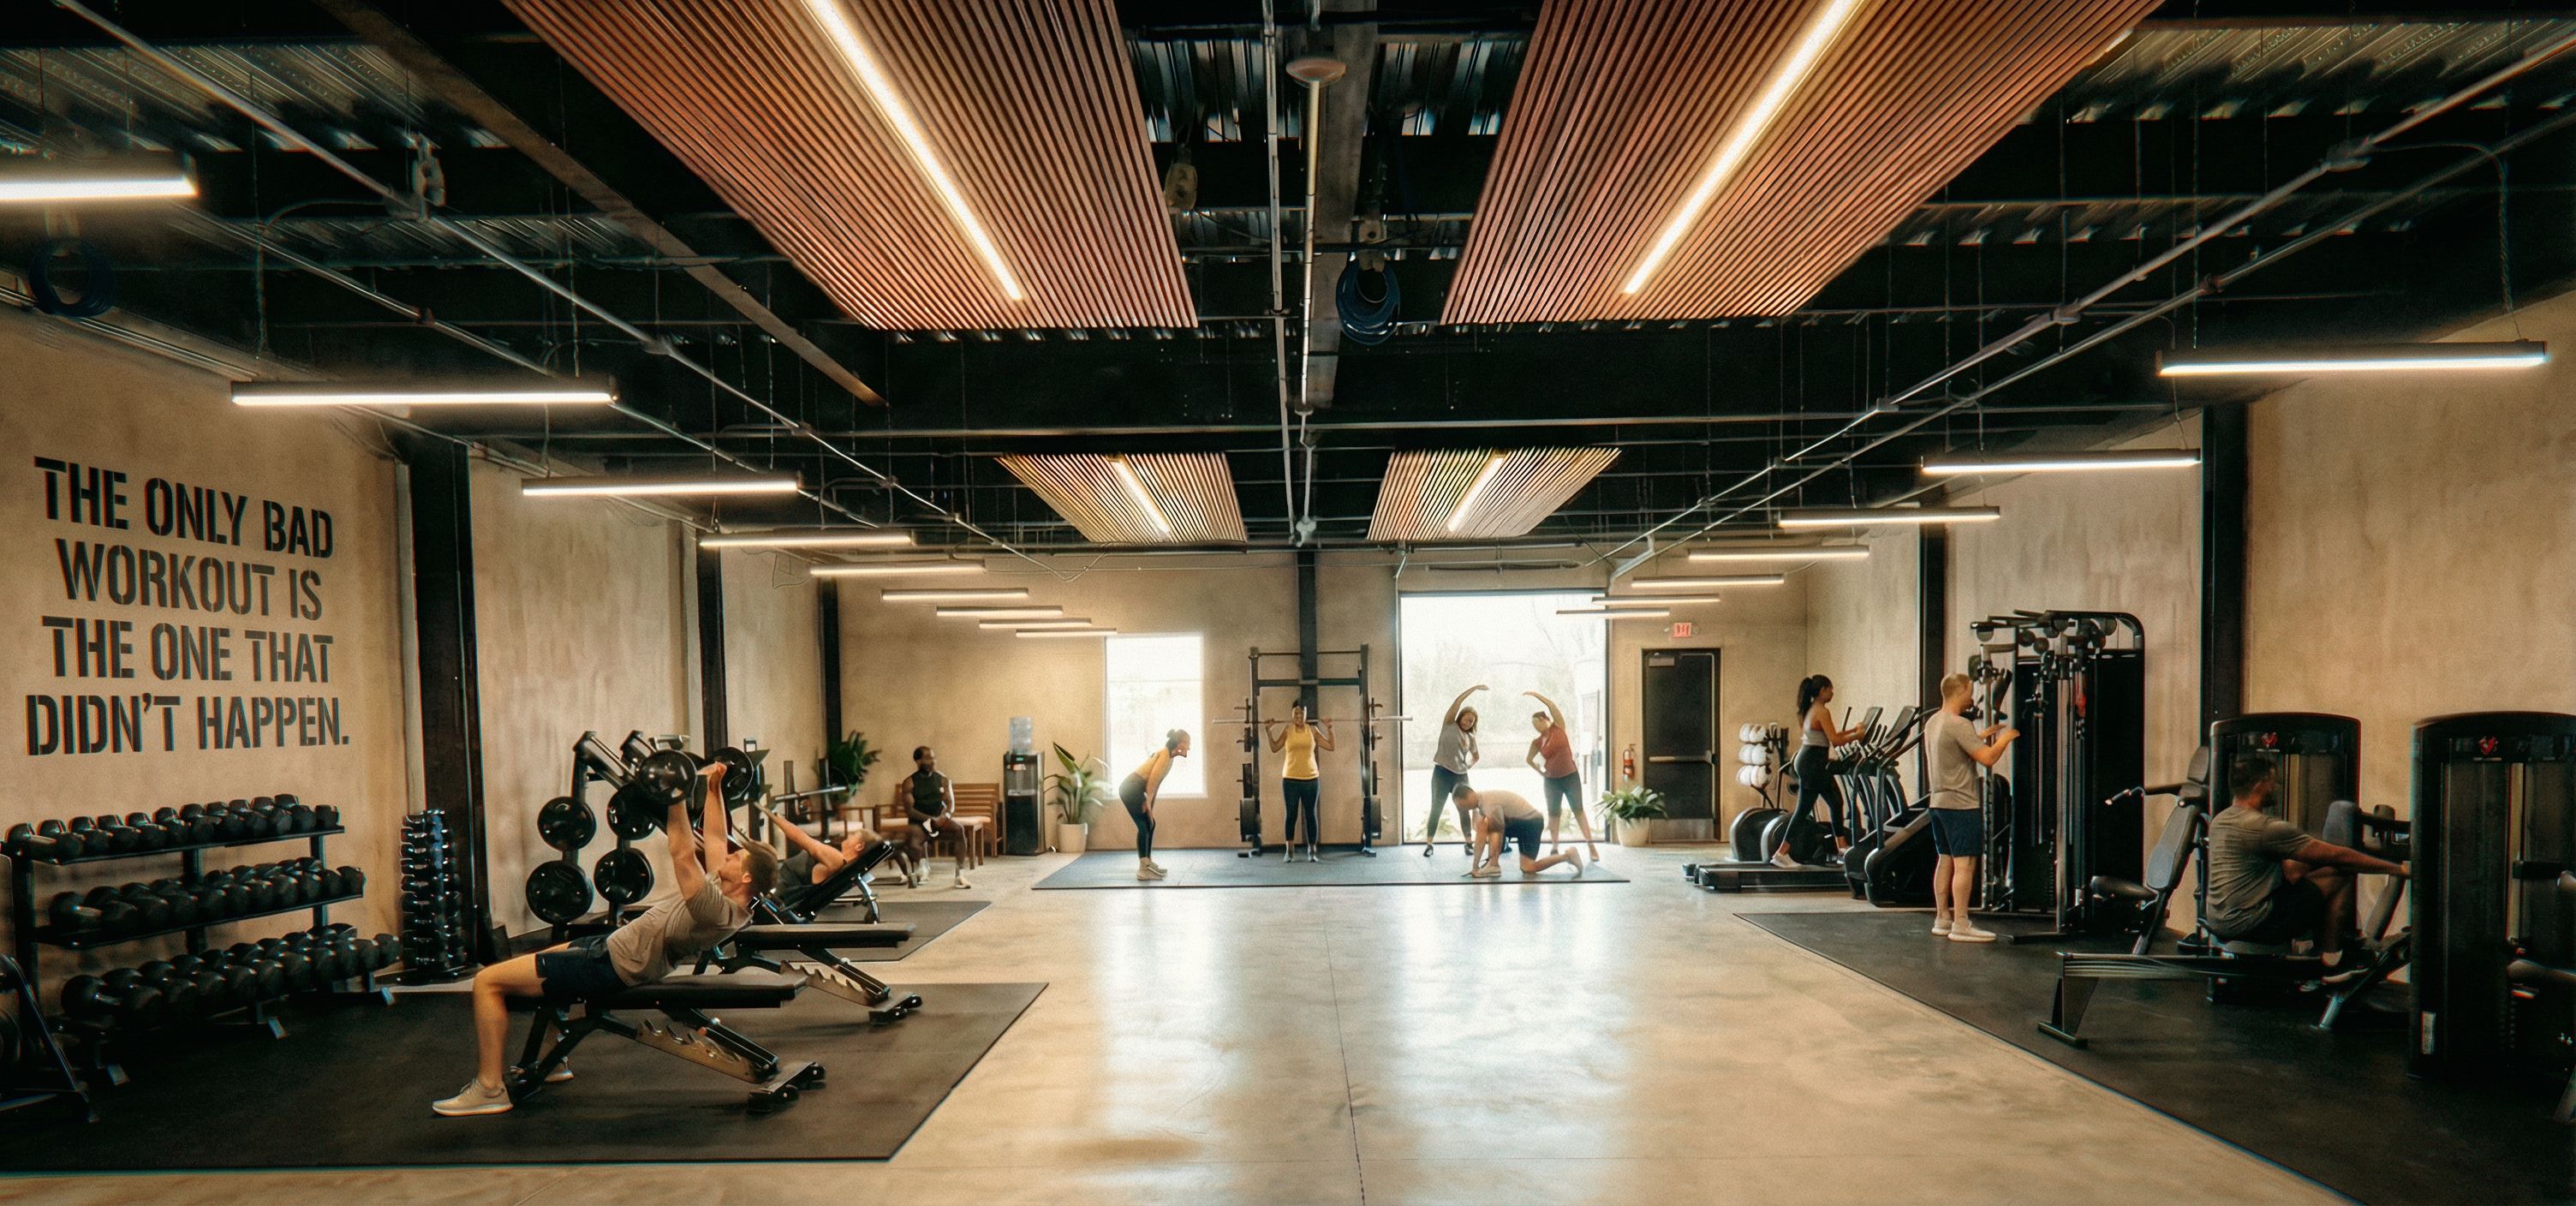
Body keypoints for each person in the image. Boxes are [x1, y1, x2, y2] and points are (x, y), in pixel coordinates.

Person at [433, 760, 775, 1117]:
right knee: (546, 958)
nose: (728, 856)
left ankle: (489, 1088)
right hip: (611, 948)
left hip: (614, 965)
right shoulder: (727, 890)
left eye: (738, 857)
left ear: (746, 877)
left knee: (487, 982)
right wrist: (715, 787)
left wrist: (676, 796)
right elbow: (716, 838)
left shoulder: (717, 911)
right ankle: (554, 1059)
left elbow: (682, 853)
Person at [2205, 751, 2408, 976]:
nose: (2277, 787)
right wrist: (2399, 869)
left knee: (2322, 873)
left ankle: (2319, 951)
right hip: (2253, 922)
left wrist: (2317, 858)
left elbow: (2290, 872)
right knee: (2340, 876)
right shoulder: (2264, 827)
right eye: (2273, 781)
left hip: (2218, 919)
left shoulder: (2220, 820)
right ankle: (2330, 964)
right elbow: (2339, 857)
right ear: (2260, 785)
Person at [1924, 672, 2016, 943]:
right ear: (1959, 691)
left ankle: (1943, 918)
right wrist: (2007, 737)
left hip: (1939, 803)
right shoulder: (1960, 724)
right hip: (1961, 804)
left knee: (1946, 860)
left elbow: (1953, 747)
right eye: (1969, 690)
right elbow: (1987, 759)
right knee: (1965, 864)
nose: (1971, 695)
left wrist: (1980, 736)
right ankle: (1961, 923)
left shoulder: (1934, 722)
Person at [1776, 674, 1868, 869]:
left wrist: (1854, 731)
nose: (1832, 693)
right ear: (1822, 691)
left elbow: (1832, 735)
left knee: (1836, 802)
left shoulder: (1813, 709)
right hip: (1812, 764)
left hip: (1812, 762)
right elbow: (1835, 741)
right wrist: (1857, 736)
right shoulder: (1821, 711)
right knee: (1803, 810)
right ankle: (1781, 853)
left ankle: (1841, 847)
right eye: (1830, 689)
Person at [765, 804, 913, 899]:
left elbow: (799, 837)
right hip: (778, 879)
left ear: (859, 846)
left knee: (765, 852)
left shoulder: (836, 859)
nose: (848, 836)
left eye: (853, 835)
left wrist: (772, 815)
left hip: (776, 886)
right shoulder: (844, 865)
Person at [1524, 690, 1601, 861]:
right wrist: (1541, 772)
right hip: (1551, 781)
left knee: (1578, 810)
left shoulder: (1558, 727)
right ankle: (1555, 846)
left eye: (1537, 723)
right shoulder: (1537, 742)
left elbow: (1551, 705)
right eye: (1533, 725)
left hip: (1570, 777)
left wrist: (1536, 695)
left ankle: (1591, 846)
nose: (1535, 726)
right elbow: (1529, 760)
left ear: (1544, 719)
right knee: (1553, 813)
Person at [1453, 782, 1583, 879]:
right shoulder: (1481, 802)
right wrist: (1475, 867)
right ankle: (1493, 866)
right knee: (1485, 825)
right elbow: (1481, 836)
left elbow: (1497, 830)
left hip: (1531, 823)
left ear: (1466, 798)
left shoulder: (1488, 803)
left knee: (1528, 867)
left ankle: (1567, 856)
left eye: (1460, 805)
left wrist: (1491, 862)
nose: (1462, 809)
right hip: (1520, 823)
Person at [1421, 684, 1484, 857]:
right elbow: (1457, 702)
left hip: (1461, 776)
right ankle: (1429, 844)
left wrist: (1466, 766)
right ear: (1460, 716)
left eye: (1471, 721)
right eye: (1466, 718)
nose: (1467, 722)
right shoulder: (1449, 724)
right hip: (1442, 773)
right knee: (1436, 807)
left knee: (1464, 809)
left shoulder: (1470, 737)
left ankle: (1468, 843)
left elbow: (1476, 756)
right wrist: (1474, 689)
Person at [1120, 729, 1190, 881]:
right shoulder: (1164, 754)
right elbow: (1151, 781)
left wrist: (1150, 807)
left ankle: (1148, 862)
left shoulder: (1169, 758)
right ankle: (1143, 869)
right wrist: (1147, 804)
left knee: (1151, 823)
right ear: (1179, 743)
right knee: (1144, 825)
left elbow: (1156, 784)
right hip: (1130, 788)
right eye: (1187, 743)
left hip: (1136, 789)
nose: (1189, 747)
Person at [1267, 703, 1333, 863]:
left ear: (1305, 715)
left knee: (1311, 815)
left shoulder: (1312, 730)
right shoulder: (1288, 730)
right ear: (1292, 715)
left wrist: (1330, 728)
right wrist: (1268, 732)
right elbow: (1275, 747)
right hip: (1290, 779)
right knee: (1291, 815)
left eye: (1301, 713)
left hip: (1311, 779)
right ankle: (1289, 851)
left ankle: (1312, 851)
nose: (1298, 716)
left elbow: (1331, 746)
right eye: (1296, 713)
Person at [899, 746, 972, 890]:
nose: (933, 761)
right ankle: (922, 868)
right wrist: (929, 819)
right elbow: (909, 810)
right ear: (918, 761)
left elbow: (950, 804)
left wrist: (945, 817)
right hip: (919, 821)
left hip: (939, 819)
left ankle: (960, 875)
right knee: (913, 841)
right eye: (928, 758)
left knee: (959, 829)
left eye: (933, 758)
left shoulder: (943, 779)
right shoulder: (909, 782)